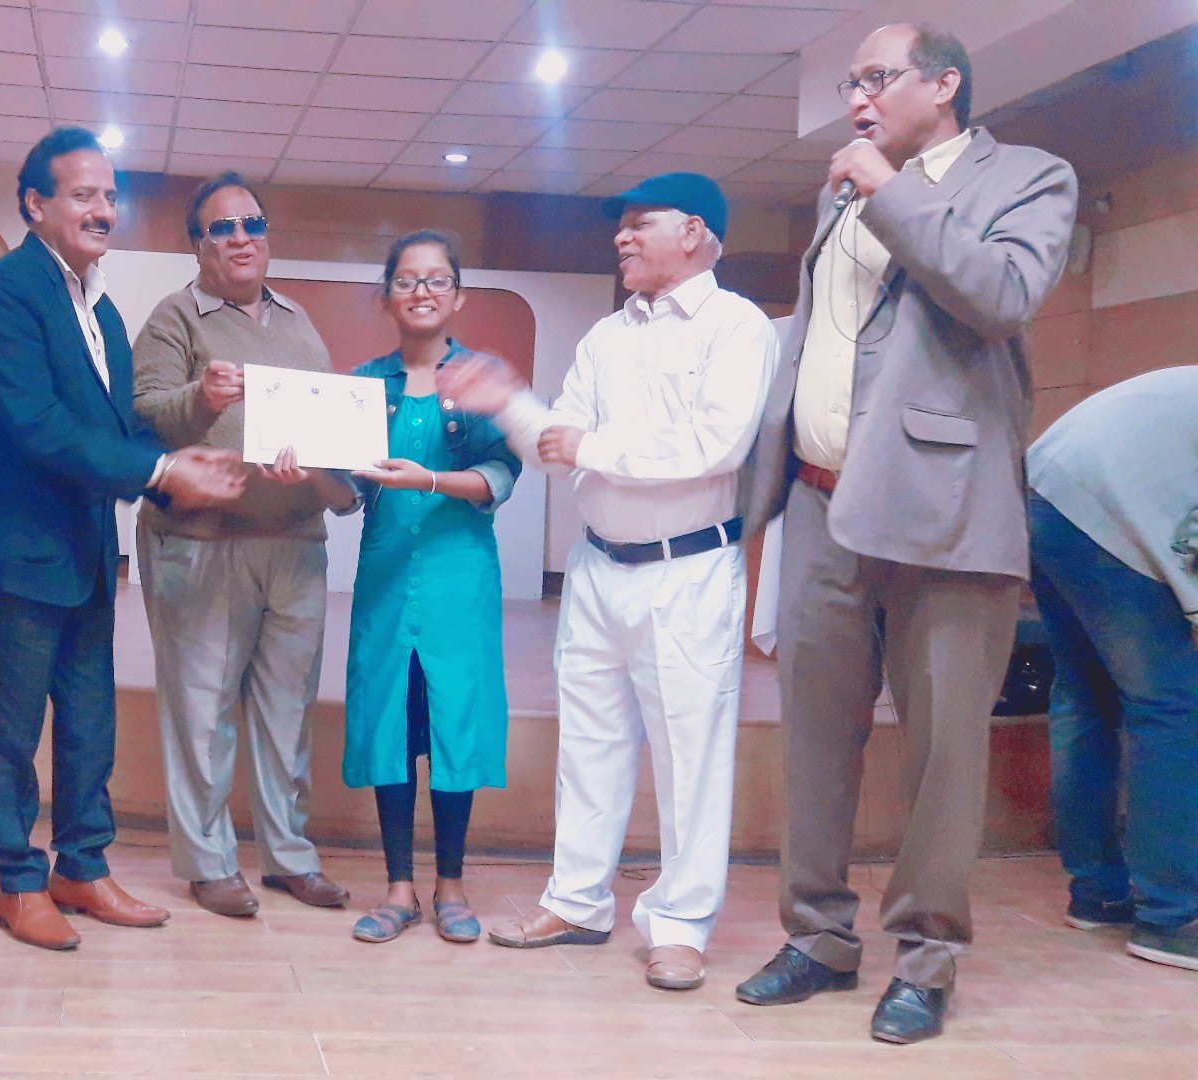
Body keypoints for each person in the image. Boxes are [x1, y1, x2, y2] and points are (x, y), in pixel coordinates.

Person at [730, 23, 1078, 1044]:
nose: (856, 99)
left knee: (942, 754)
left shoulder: (1028, 177)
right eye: (850, 81)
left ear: (945, 82)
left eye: (877, 78)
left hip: (946, 509)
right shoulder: (841, 192)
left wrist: (891, 190)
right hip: (820, 501)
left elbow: (1000, 296)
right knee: (815, 741)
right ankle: (817, 938)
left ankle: (926, 959)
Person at [442, 174, 776, 990]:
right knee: (588, 748)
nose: (621, 238)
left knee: (691, 758)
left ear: (693, 231)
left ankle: (681, 926)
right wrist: (512, 404)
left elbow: (717, 444)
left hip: (688, 568)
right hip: (597, 568)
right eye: (618, 226)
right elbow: (558, 441)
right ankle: (577, 902)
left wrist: (591, 446)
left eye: (638, 223)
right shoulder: (605, 336)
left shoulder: (737, 327)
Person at [0, 128, 245, 950]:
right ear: (35, 204)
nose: (103, 211)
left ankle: (81, 868)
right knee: (15, 731)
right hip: (19, 553)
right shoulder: (4, 289)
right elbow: (39, 427)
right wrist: (161, 471)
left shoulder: (105, 310)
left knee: (89, 723)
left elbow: (117, 429)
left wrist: (176, 456)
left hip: (88, 549)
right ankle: (18, 883)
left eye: (111, 197)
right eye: (83, 195)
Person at [130, 173, 357, 918]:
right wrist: (202, 397)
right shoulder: (174, 318)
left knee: (288, 712)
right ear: (198, 245)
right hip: (201, 544)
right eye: (222, 228)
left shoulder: (297, 321)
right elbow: (145, 417)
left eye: (252, 224)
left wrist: (325, 467)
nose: (240, 238)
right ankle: (208, 864)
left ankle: (289, 857)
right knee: (202, 712)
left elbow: (328, 425)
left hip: (295, 543)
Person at [340, 231, 521, 944]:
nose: (421, 291)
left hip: (458, 580)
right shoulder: (363, 386)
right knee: (390, 722)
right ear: (385, 296)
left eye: (436, 279)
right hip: (386, 579)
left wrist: (432, 480)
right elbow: (346, 494)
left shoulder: (479, 378)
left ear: (458, 296)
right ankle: (398, 888)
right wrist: (306, 471)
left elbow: (501, 476)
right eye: (407, 280)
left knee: (453, 722)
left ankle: (451, 884)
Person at [1026, 366, 1198, 972]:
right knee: (1171, 707)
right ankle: (1172, 917)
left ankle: (1098, 893)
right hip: (1105, 508)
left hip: (1042, 492)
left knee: (1086, 699)